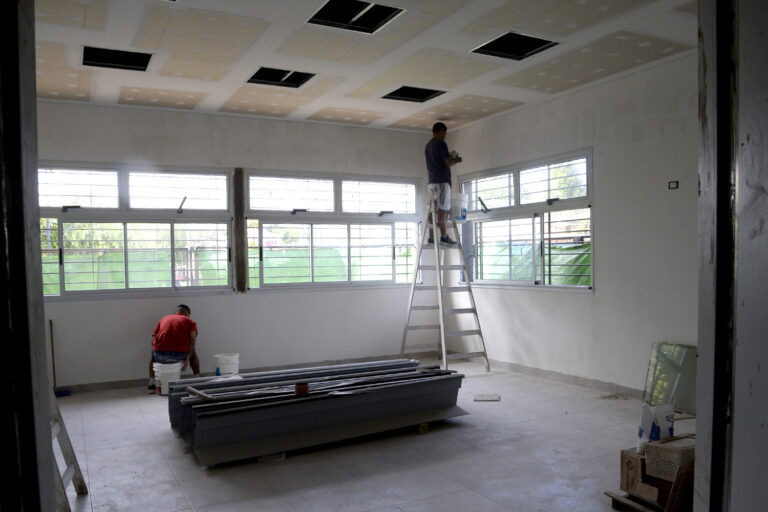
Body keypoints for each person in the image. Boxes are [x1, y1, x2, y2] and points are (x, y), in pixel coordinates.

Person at [425, 122, 463, 245]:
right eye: (445, 133)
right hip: (442, 182)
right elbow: (448, 162)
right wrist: (456, 160)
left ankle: (431, 237)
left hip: (432, 182)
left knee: (433, 209)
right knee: (442, 209)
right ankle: (443, 236)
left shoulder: (428, 145)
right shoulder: (441, 144)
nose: (445, 135)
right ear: (440, 131)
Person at [148, 304, 200, 393]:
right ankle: (197, 379)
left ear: (176, 312)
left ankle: (151, 385)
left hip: (160, 355)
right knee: (193, 353)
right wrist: (186, 361)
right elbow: (192, 341)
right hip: (180, 355)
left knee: (153, 359)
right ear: (187, 313)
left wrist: (156, 349)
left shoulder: (164, 318)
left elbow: (153, 337)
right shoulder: (190, 321)